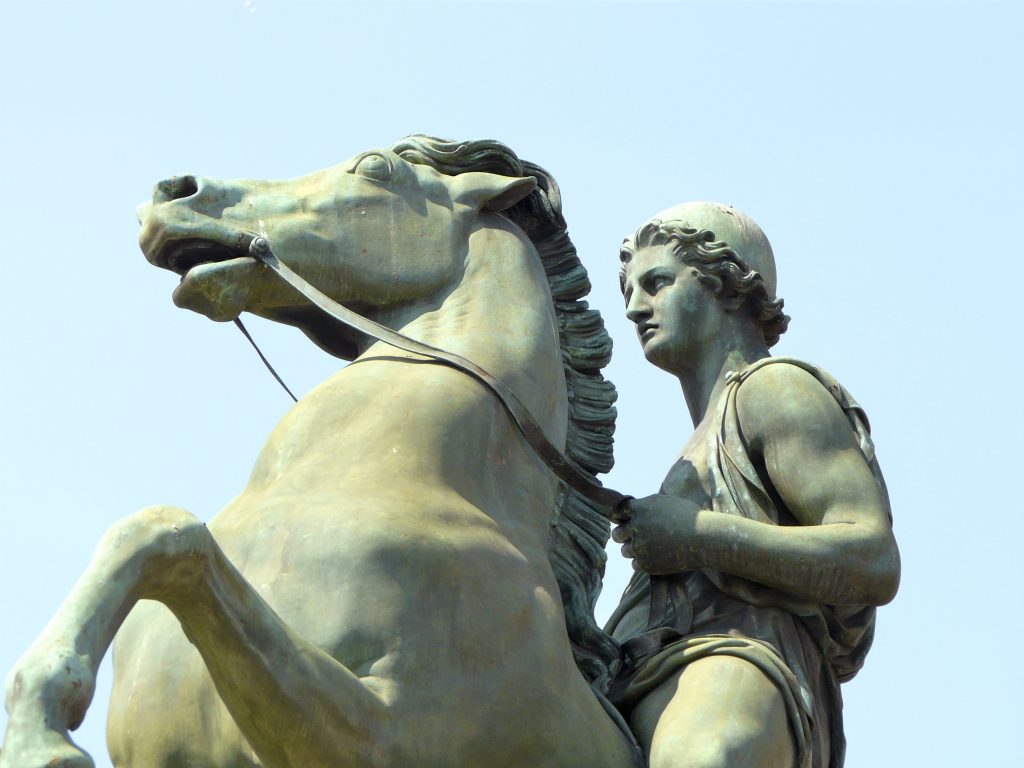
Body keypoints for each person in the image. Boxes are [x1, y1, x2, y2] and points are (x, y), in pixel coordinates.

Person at [606, 202, 900, 768]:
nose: (635, 308)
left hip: (739, 660)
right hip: (641, 673)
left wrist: (697, 538)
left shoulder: (773, 390)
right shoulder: (697, 442)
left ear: (729, 287)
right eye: (630, 292)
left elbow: (873, 558)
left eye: (657, 282)